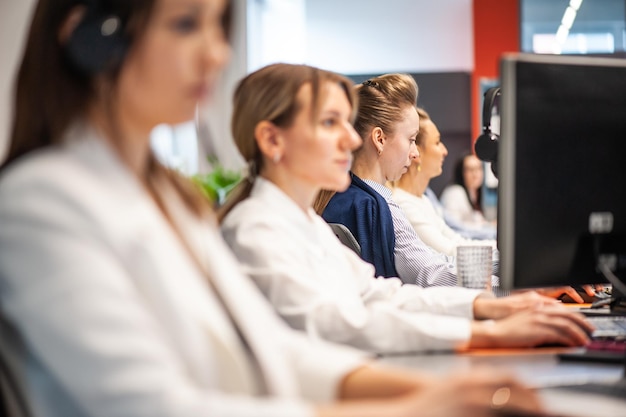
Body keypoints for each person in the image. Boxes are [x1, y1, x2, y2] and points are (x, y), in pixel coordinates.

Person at [0, 1, 567, 417]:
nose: (217, 52)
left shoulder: (166, 199)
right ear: (93, 38)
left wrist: (446, 373)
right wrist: (419, 399)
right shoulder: (43, 202)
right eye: (185, 25)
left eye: (219, 27)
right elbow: (150, 404)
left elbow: (271, 351)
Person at [219, 63, 593, 356]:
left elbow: (381, 294)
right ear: (272, 139)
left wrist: (489, 306)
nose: (351, 138)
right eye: (331, 122)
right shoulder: (255, 229)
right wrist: (483, 329)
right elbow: (340, 324)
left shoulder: (304, 222)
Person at [317, 74, 587, 303]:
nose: (414, 154)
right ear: (379, 139)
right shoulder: (376, 206)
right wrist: (525, 286)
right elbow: (431, 274)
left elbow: (437, 263)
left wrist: (528, 269)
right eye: (411, 140)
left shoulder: (349, 197)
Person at [391, 107, 497, 257]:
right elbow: (450, 251)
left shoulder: (424, 200)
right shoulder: (404, 204)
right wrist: (500, 251)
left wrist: (498, 248)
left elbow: (456, 241)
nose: (444, 150)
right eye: (437, 142)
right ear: (417, 152)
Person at [440, 153, 496, 232]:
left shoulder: (473, 194)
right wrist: (486, 226)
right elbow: (453, 226)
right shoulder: (455, 193)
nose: (475, 174)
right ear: (461, 173)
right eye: (470, 169)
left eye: (478, 168)